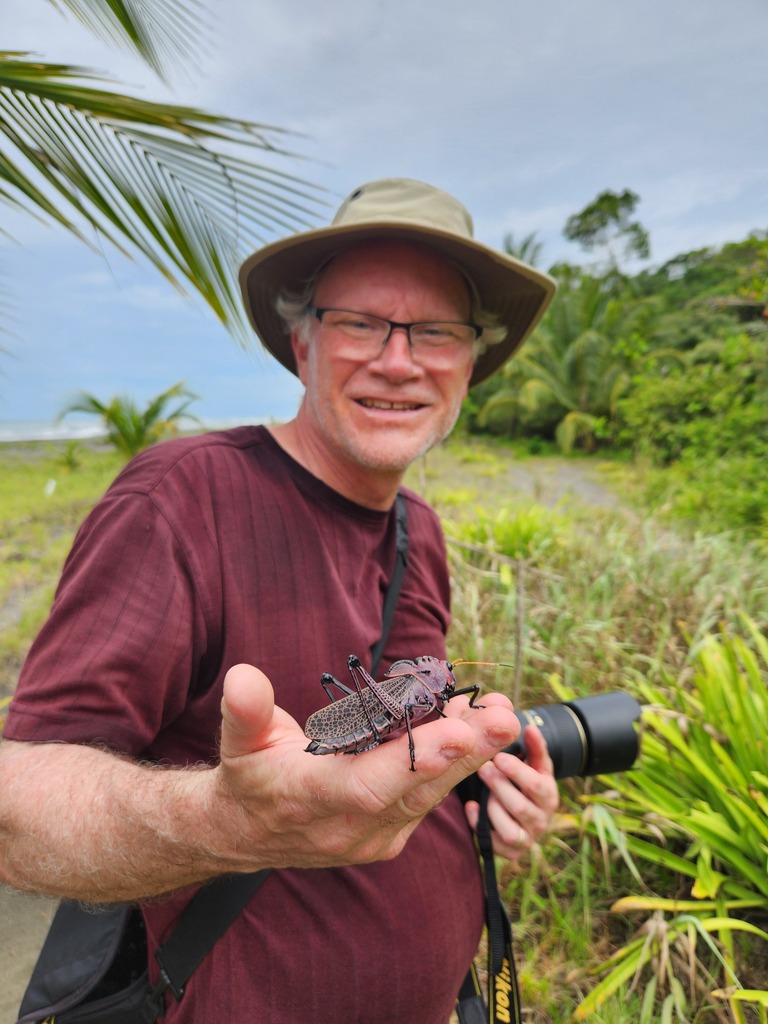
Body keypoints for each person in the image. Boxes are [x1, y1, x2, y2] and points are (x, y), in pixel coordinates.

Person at [0, 178, 559, 1024]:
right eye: (361, 323)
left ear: (470, 361)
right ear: (302, 344)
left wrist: (483, 788)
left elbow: (405, 744)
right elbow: (15, 806)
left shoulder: (423, 529)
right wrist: (233, 824)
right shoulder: (181, 499)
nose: (399, 359)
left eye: (436, 331)